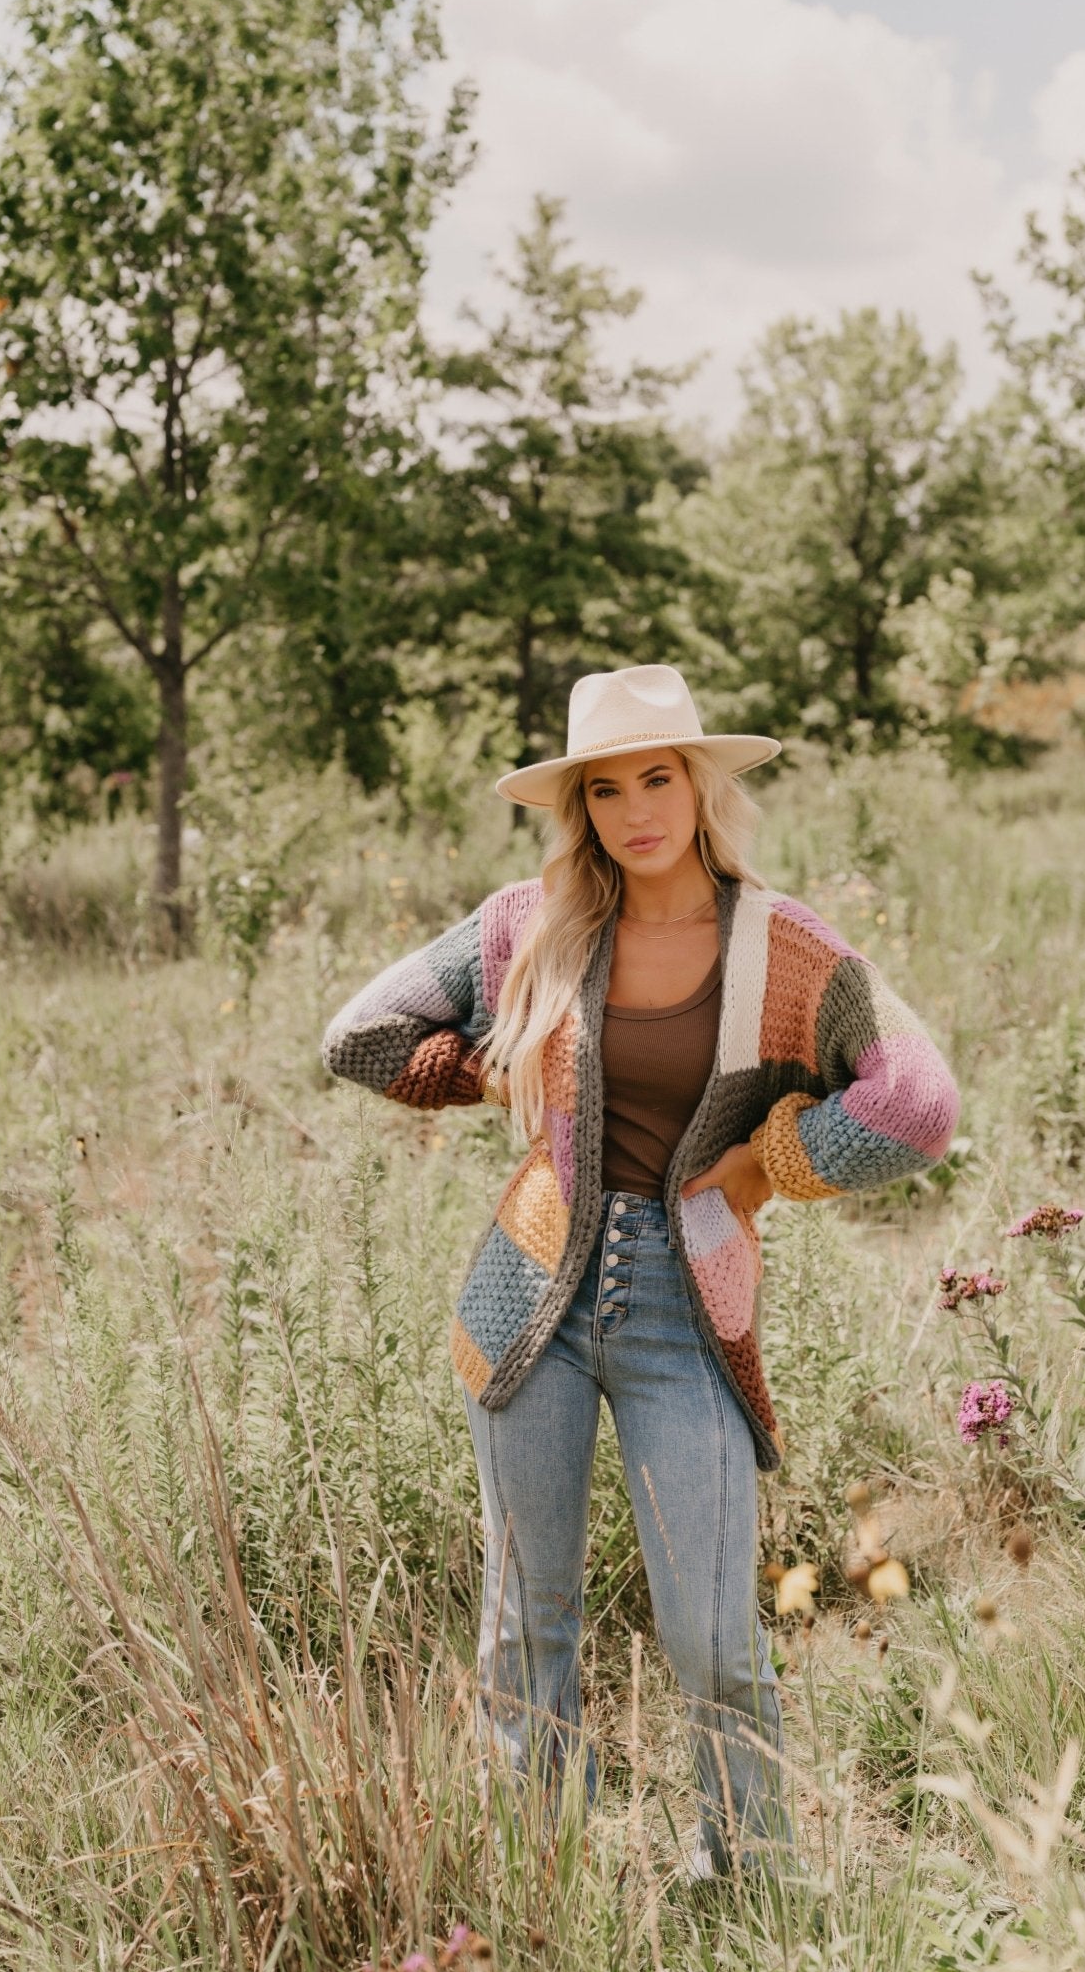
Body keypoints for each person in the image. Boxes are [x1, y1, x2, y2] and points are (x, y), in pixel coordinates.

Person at [321, 663, 960, 1881]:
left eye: (656, 775)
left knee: (717, 1636)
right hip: (531, 1306)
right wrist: (493, 1063)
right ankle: (543, 1859)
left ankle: (751, 1876)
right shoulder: (530, 920)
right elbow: (361, 1034)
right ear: (581, 806)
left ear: (700, 782)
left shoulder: (784, 944)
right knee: (529, 1627)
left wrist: (774, 1160)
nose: (634, 808)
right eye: (603, 787)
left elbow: (919, 1101)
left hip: (686, 1312)